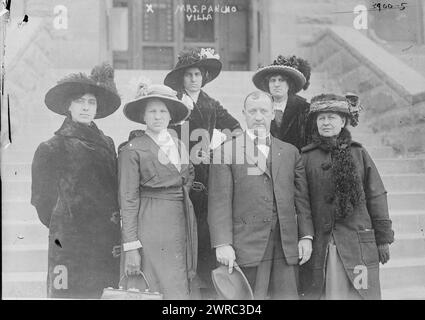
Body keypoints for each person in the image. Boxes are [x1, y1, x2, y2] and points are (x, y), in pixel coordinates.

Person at [208, 91, 314, 299]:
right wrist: (222, 243)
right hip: (246, 246)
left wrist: (306, 236)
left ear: (273, 114)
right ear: (244, 114)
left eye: (264, 111)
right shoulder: (226, 151)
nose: (258, 117)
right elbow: (219, 202)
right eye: (252, 111)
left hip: (285, 245)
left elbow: (301, 199)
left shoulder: (291, 152)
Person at [31, 63, 122, 299]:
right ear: (68, 106)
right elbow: (42, 202)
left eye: (91, 102)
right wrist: (66, 224)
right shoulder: (52, 147)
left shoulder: (108, 143)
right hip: (70, 247)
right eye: (80, 101)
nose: (85, 107)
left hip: (106, 242)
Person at [299, 93, 394, 300]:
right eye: (321, 118)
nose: (326, 123)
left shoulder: (358, 153)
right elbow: (302, 203)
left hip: (357, 240)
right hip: (325, 243)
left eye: (331, 117)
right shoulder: (306, 157)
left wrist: (383, 238)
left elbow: (376, 195)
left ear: (342, 121)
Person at [164, 47, 242, 297]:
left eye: (198, 74)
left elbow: (235, 128)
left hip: (205, 175)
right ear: (182, 78)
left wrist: (218, 150)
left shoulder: (210, 103)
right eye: (189, 75)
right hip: (177, 169)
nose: (194, 79)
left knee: (203, 225)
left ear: (204, 77)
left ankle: (205, 283)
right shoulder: (173, 101)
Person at [119, 83, 198, 299]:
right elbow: (128, 199)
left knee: (178, 284)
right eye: (152, 111)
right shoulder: (132, 149)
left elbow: (188, 176)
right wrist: (131, 246)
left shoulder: (179, 145)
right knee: (152, 286)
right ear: (143, 116)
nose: (158, 116)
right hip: (150, 224)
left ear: (170, 115)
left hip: (180, 222)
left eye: (163, 111)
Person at [252, 55, 312, 150]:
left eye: (281, 80)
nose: (276, 84)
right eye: (273, 80)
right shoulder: (260, 109)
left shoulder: (304, 109)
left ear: (289, 84)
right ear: (268, 85)